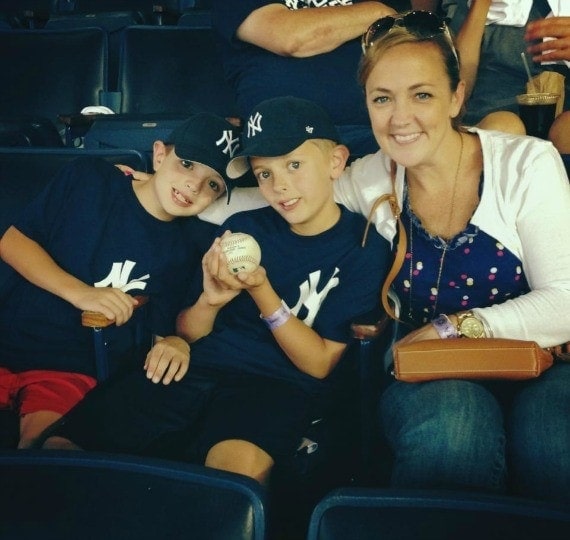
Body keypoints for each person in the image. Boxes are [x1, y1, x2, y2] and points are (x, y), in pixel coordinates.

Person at [41, 96, 390, 486]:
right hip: (198, 367)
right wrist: (206, 305)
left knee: (228, 484)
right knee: (62, 449)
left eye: (294, 165)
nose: (280, 186)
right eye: (264, 174)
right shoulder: (246, 227)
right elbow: (191, 332)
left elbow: (319, 363)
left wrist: (261, 290)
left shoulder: (364, 248)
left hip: (278, 386)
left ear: (336, 161)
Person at [328, 10, 570, 503]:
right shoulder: (368, 178)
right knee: (453, 430)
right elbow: (277, 194)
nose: (400, 118)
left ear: (457, 97)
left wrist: (452, 327)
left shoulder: (527, 163)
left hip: (546, 361)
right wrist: (185, 189)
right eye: (382, 98)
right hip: (429, 374)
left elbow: (565, 302)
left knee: (552, 444)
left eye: (422, 95)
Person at [0, 113, 241, 449]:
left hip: (69, 367)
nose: (194, 185)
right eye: (186, 164)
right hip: (10, 339)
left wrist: (178, 341)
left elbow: (166, 333)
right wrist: (82, 293)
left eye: (213, 184)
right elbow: (12, 242)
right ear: (159, 154)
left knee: (43, 451)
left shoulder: (186, 246)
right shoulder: (91, 178)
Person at [210, 0, 397, 158]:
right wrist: (378, 11)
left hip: (378, 131)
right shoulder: (377, 8)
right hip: (286, 137)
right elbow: (289, 37)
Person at [432, 1, 570, 145]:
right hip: (491, 123)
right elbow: (456, 91)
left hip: (562, 123)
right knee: (504, 127)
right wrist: (479, 7)